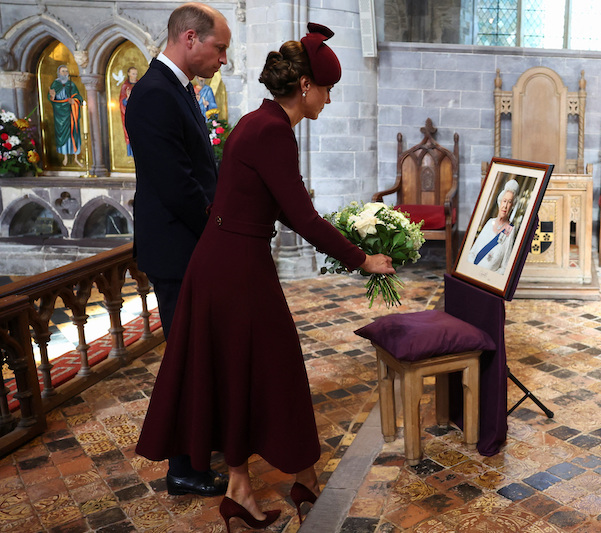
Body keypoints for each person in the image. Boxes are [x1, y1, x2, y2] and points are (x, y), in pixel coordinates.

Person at [135, 22, 395, 530]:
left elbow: (277, 206)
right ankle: (300, 480)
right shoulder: (273, 131)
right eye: (327, 90)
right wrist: (362, 259)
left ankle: (242, 490)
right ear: (305, 87)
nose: (328, 101)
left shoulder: (259, 123)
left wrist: (345, 239)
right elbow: (300, 215)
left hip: (230, 261)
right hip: (235, 269)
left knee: (242, 372)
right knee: (278, 370)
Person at [126, 2, 231, 498]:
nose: (223, 60)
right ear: (190, 38)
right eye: (220, 48)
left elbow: (198, 171)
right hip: (176, 250)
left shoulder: (179, 89)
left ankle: (200, 445)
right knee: (186, 359)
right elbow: (176, 185)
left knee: (199, 353)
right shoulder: (152, 93)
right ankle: (183, 467)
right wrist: (220, 231)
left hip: (189, 245)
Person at [467, 179, 519, 274]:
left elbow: (505, 267)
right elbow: (471, 253)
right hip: (473, 273)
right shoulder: (489, 222)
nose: (505, 206)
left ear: (512, 206)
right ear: (500, 202)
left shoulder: (510, 230)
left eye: (509, 202)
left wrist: (489, 277)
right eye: (504, 201)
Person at [48, 64, 83, 166]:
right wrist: (52, 96)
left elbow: (78, 97)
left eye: (66, 71)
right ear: (59, 73)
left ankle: (76, 157)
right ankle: (65, 157)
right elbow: (51, 98)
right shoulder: (55, 84)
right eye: (63, 71)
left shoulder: (71, 84)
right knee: (63, 135)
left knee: (74, 133)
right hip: (60, 115)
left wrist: (74, 101)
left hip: (71, 113)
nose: (65, 73)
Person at [119, 66, 138, 156]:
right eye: (133, 73)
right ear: (129, 74)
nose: (135, 75)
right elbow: (122, 102)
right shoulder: (125, 86)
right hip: (129, 115)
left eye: (136, 74)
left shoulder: (139, 84)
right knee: (130, 133)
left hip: (139, 115)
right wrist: (127, 99)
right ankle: (131, 154)